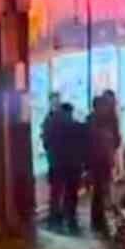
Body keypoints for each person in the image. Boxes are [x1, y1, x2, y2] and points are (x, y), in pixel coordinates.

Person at [86, 95, 116, 237]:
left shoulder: (105, 120)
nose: (106, 108)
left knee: (102, 191)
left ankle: (99, 220)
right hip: (97, 162)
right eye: (103, 105)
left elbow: (113, 140)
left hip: (103, 160)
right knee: (100, 191)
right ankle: (99, 221)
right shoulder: (94, 122)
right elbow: (92, 144)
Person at [55, 103, 86, 234]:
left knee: (68, 192)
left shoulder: (59, 128)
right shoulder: (74, 127)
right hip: (71, 164)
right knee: (70, 192)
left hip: (66, 164)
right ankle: (69, 218)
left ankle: (66, 217)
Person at [41, 93, 65, 229]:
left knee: (58, 188)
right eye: (53, 102)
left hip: (59, 159)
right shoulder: (51, 119)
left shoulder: (52, 119)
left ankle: (57, 213)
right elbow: (45, 140)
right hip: (56, 159)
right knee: (57, 188)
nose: (55, 104)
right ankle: (56, 213)